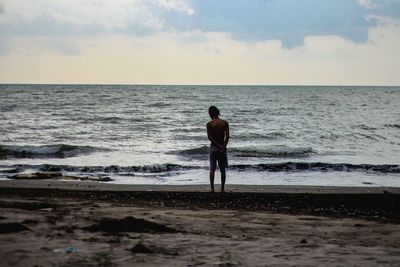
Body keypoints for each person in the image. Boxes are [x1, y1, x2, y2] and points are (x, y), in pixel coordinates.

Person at [206, 105, 229, 193]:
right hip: (222, 148)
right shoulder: (225, 123)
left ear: (211, 113)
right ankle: (222, 188)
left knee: (212, 168)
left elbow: (210, 138)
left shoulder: (209, 124)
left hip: (213, 148)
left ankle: (212, 188)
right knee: (222, 169)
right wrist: (223, 146)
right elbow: (227, 136)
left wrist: (218, 145)